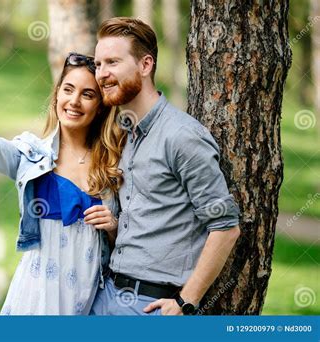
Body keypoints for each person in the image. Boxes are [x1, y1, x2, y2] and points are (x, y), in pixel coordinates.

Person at [0, 52, 125, 315]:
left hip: (88, 303)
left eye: (87, 94)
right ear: (57, 95)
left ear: (100, 106)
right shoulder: (31, 155)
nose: (74, 101)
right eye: (68, 89)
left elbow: (129, 244)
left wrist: (113, 227)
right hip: (36, 300)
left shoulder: (110, 166)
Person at [89, 17, 241, 316]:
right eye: (97, 64)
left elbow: (226, 228)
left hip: (150, 307)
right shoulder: (126, 134)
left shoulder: (182, 136)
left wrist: (186, 301)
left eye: (112, 62)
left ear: (145, 66)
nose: (102, 74)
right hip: (108, 296)